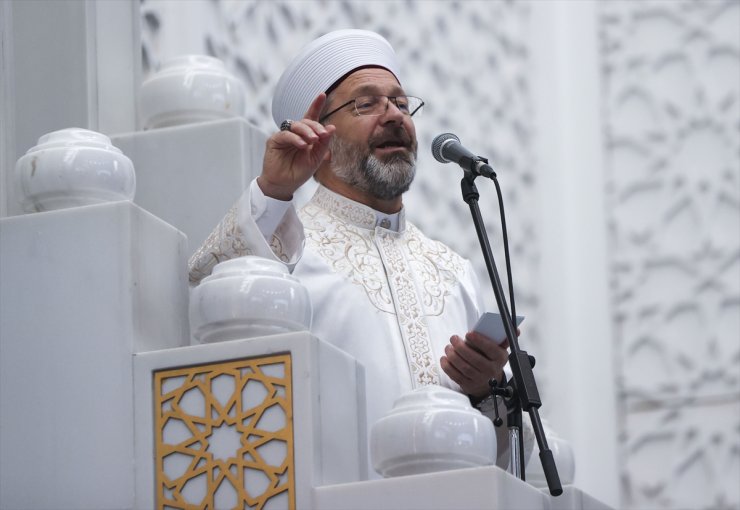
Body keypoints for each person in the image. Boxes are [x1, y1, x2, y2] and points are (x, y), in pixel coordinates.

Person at [189, 28, 533, 475]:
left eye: (401, 103)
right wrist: (273, 191)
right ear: (318, 136)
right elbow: (203, 299)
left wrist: (486, 390)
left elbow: (505, 454)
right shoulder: (283, 242)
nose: (393, 116)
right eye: (366, 103)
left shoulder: (452, 270)